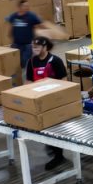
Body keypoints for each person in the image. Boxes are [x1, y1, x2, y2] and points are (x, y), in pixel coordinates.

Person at [24, 37, 70, 170]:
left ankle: (58, 155)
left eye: (37, 47)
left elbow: (64, 80)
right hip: (38, 100)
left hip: (53, 99)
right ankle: (53, 149)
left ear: (45, 47)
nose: (35, 50)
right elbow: (28, 81)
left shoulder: (55, 61)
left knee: (54, 128)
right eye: (33, 47)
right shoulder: (31, 62)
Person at [8, 0, 43, 69]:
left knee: (24, 61)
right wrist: (10, 37)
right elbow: (11, 27)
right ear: (20, 7)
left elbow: (39, 24)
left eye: (27, 6)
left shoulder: (31, 16)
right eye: (25, 6)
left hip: (28, 44)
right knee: (16, 62)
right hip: (16, 44)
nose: (27, 7)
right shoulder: (14, 16)